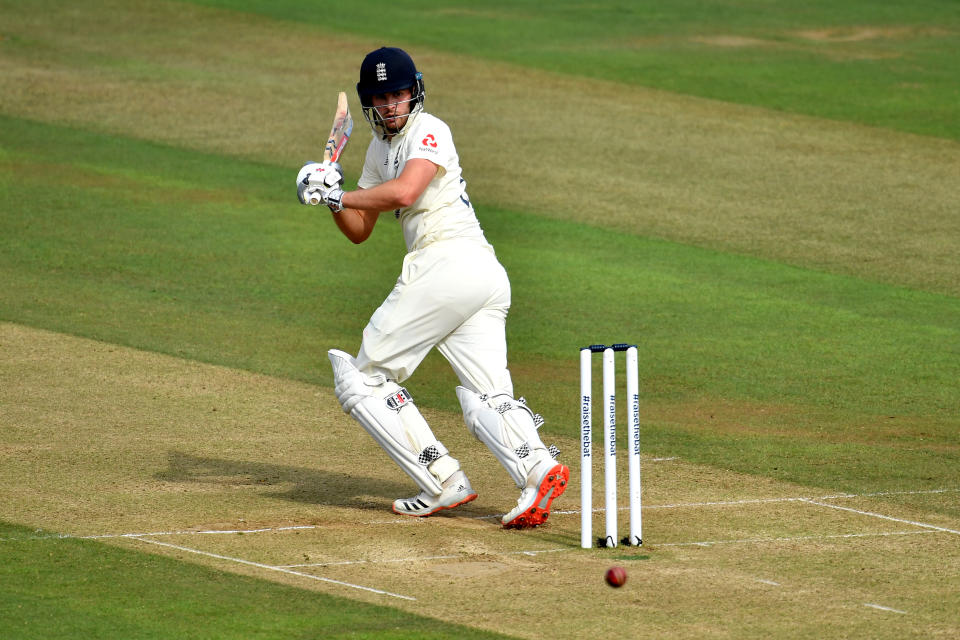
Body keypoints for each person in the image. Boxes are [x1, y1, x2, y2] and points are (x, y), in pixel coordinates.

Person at [296, 47, 567, 529]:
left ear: (414, 92)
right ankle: (539, 472)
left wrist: (337, 193)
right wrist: (331, 195)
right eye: (381, 98)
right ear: (369, 103)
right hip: (476, 278)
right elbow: (361, 228)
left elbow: (404, 193)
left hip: (450, 263)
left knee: (362, 379)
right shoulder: (379, 151)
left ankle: (442, 480)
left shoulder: (430, 129)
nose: (391, 105)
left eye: (398, 94)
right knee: (487, 395)